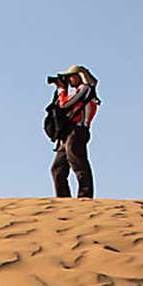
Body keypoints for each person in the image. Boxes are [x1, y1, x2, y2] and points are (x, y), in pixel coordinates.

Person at [50, 65, 99, 199]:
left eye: (70, 76)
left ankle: (85, 196)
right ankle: (63, 199)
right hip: (68, 133)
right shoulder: (80, 91)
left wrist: (61, 90)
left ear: (79, 75)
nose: (68, 80)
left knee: (78, 163)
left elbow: (64, 103)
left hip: (78, 130)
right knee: (57, 168)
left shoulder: (85, 89)